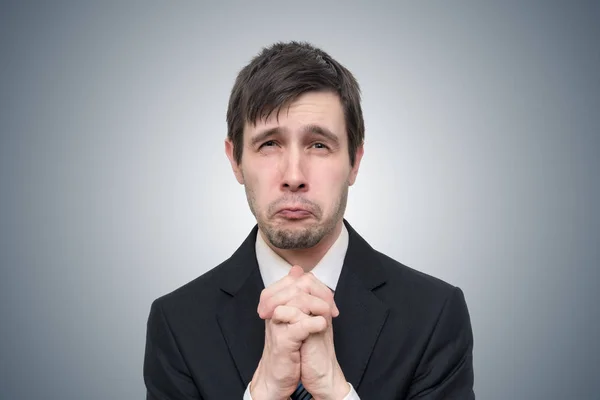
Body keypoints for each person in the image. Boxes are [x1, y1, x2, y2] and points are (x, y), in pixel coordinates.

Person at [143, 41, 475, 400]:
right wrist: (264, 394)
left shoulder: (434, 315)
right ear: (235, 160)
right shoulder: (176, 324)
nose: (294, 175)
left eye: (318, 145)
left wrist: (336, 393)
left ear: (355, 161)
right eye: (269, 143)